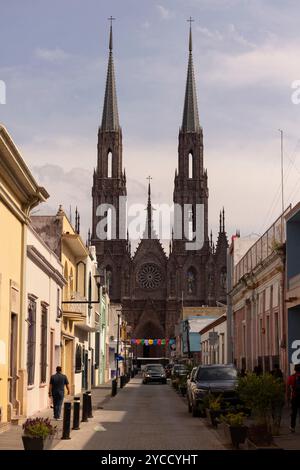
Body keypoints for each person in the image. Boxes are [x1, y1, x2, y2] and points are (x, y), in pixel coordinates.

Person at [287, 363, 300, 432]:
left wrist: (288, 397)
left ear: (295, 369)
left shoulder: (291, 377)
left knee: (294, 413)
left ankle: (292, 427)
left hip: (294, 397)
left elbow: (288, 388)